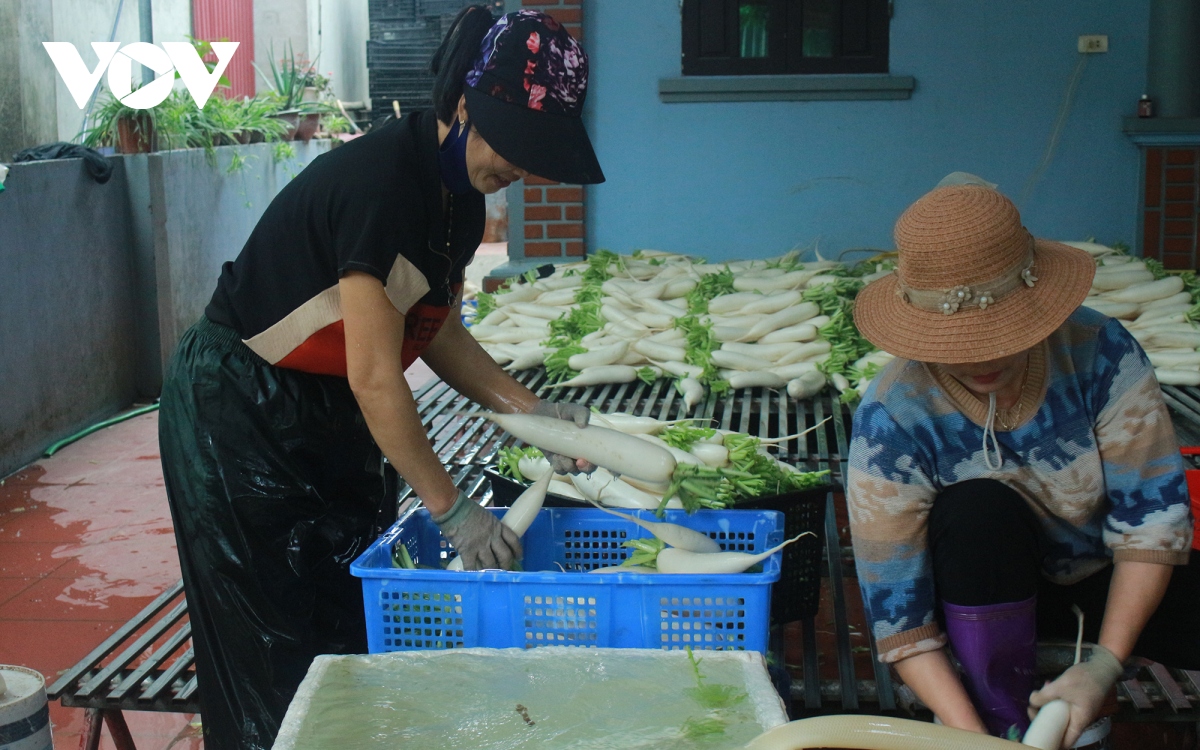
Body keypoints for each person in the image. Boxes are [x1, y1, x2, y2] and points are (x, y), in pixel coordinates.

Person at [157, 8, 603, 749]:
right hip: (240, 408)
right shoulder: (381, 187)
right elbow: (375, 375)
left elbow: (436, 331)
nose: (518, 170)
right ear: (462, 105)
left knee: (346, 607)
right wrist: (452, 509)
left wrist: (532, 413)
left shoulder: (459, 202)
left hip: (322, 404)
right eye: (512, 146)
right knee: (274, 643)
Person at [846, 184, 1198, 747]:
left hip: (1098, 580)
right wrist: (974, 740)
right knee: (978, 509)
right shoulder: (894, 413)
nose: (981, 359)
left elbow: (1152, 518)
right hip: (975, 600)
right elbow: (901, 618)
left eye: (999, 335)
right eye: (956, 343)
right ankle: (995, 710)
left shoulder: (1099, 350)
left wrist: (1105, 664)